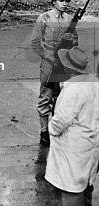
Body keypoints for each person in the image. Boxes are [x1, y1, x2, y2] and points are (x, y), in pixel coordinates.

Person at [45, 46, 99, 205]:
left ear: (68, 67)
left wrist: (51, 128)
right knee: (86, 188)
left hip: (73, 150)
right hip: (91, 145)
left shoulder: (73, 89)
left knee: (71, 192)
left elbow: (60, 122)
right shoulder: (94, 82)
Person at [31, 0, 77, 147]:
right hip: (49, 64)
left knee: (62, 99)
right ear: (53, 2)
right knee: (45, 98)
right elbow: (35, 43)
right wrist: (50, 58)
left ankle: (57, 130)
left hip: (65, 65)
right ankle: (44, 132)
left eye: (66, 1)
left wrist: (71, 41)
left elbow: (75, 44)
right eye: (61, 1)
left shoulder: (70, 19)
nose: (64, 4)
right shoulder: (43, 18)